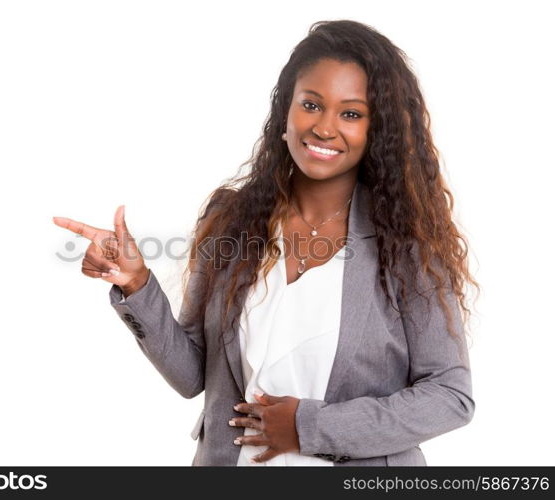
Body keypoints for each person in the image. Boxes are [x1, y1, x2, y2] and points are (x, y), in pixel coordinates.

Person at [52, 19, 479, 466]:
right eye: (311, 104)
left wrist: (308, 427)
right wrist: (137, 283)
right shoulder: (233, 221)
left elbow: (449, 395)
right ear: (286, 114)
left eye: (351, 113)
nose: (325, 128)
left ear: (376, 131)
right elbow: (193, 374)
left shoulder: (406, 244)